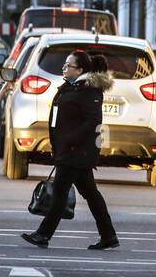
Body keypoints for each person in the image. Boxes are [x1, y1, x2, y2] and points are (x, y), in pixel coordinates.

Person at [22, 50, 119, 250]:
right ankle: (108, 235)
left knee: (59, 193)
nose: (64, 68)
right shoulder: (71, 87)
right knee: (91, 194)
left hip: (77, 152)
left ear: (80, 70)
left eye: (69, 65)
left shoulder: (89, 90)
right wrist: (58, 144)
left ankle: (43, 234)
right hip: (68, 151)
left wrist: (68, 141)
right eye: (65, 65)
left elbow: (93, 122)